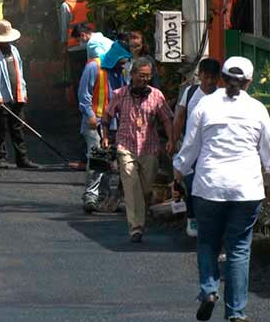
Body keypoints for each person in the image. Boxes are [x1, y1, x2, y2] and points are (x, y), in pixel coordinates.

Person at [173, 57, 270, 322]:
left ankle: (208, 290)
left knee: (207, 242)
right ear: (249, 82)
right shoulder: (258, 110)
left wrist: (178, 170)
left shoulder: (205, 105)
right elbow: (268, 155)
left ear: (222, 79)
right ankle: (236, 312)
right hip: (246, 189)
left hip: (209, 187)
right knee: (239, 249)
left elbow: (190, 147)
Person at [101, 57, 174, 242]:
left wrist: (171, 139)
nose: (145, 79)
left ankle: (141, 215)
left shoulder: (156, 95)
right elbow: (107, 115)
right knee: (131, 185)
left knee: (146, 189)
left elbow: (167, 118)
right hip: (125, 146)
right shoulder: (120, 94)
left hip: (149, 148)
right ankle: (136, 228)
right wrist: (105, 136)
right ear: (132, 75)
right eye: (141, 75)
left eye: (148, 76)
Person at [171, 57, 221, 238]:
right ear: (199, 75)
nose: (209, 81)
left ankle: (211, 221)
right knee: (191, 184)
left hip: (213, 149)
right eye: (206, 77)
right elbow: (179, 117)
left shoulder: (222, 97)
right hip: (191, 147)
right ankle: (192, 217)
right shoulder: (190, 92)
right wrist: (173, 140)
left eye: (213, 77)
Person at [78, 40, 130, 212]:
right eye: (122, 60)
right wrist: (90, 115)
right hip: (95, 121)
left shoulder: (120, 71)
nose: (123, 64)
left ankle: (104, 197)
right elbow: (83, 94)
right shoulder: (94, 67)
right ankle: (91, 196)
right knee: (97, 159)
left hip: (112, 123)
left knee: (108, 160)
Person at [0, 19, 39, 169]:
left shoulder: (14, 50)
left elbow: (19, 71)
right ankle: (0, 158)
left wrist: (23, 90)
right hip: (0, 98)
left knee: (17, 128)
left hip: (17, 95)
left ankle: (22, 159)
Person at [53, 0, 92, 86]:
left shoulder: (65, 6)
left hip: (74, 47)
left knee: (78, 79)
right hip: (89, 45)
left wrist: (63, 45)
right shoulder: (87, 3)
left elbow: (64, 29)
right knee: (89, 78)